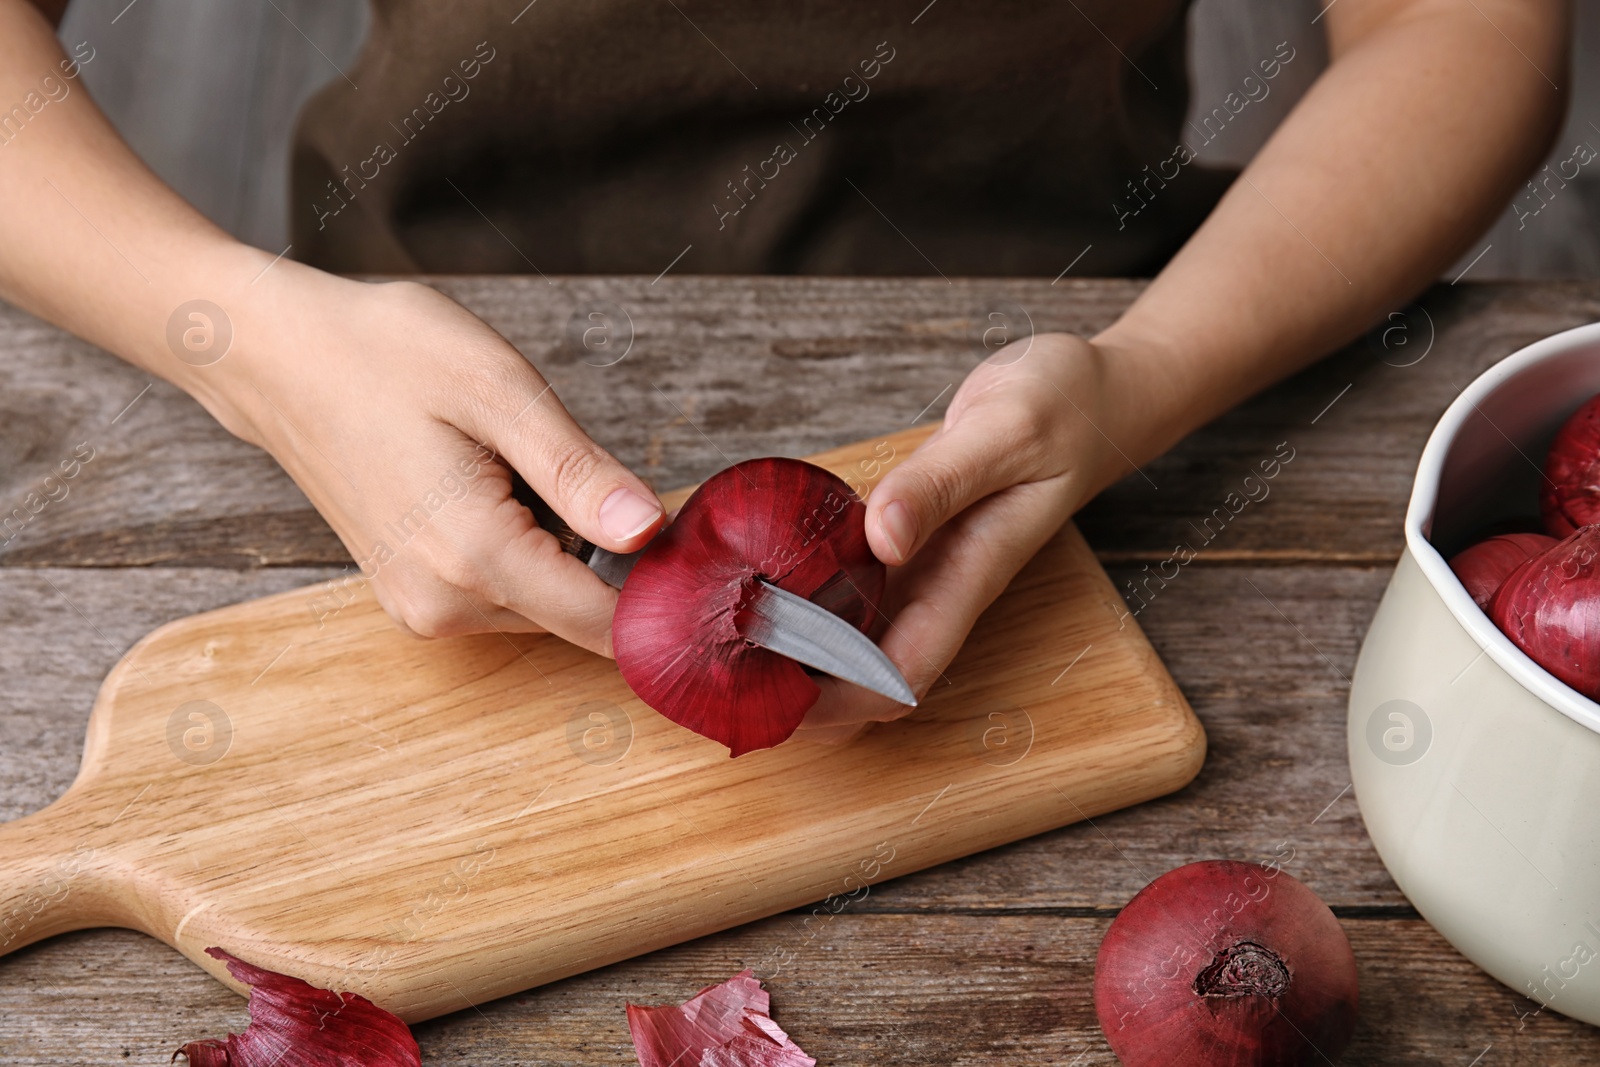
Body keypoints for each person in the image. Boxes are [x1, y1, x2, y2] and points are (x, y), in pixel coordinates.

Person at [0, 0, 1569, 743]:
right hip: (388, 392)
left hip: (1076, 340)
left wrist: (1150, 368)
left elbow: (1463, 32)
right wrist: (244, 338)